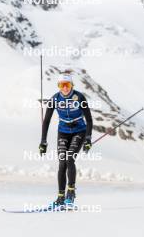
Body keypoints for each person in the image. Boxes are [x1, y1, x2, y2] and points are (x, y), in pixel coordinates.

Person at [39, 73, 93, 207]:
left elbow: (89, 119)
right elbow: (46, 121)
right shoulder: (54, 99)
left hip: (79, 131)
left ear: (71, 85)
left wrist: (88, 138)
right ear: (58, 86)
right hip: (63, 132)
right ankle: (60, 197)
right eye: (61, 85)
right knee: (62, 163)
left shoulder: (79, 97)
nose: (65, 88)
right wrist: (43, 141)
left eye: (67, 85)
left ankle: (71, 192)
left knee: (69, 159)